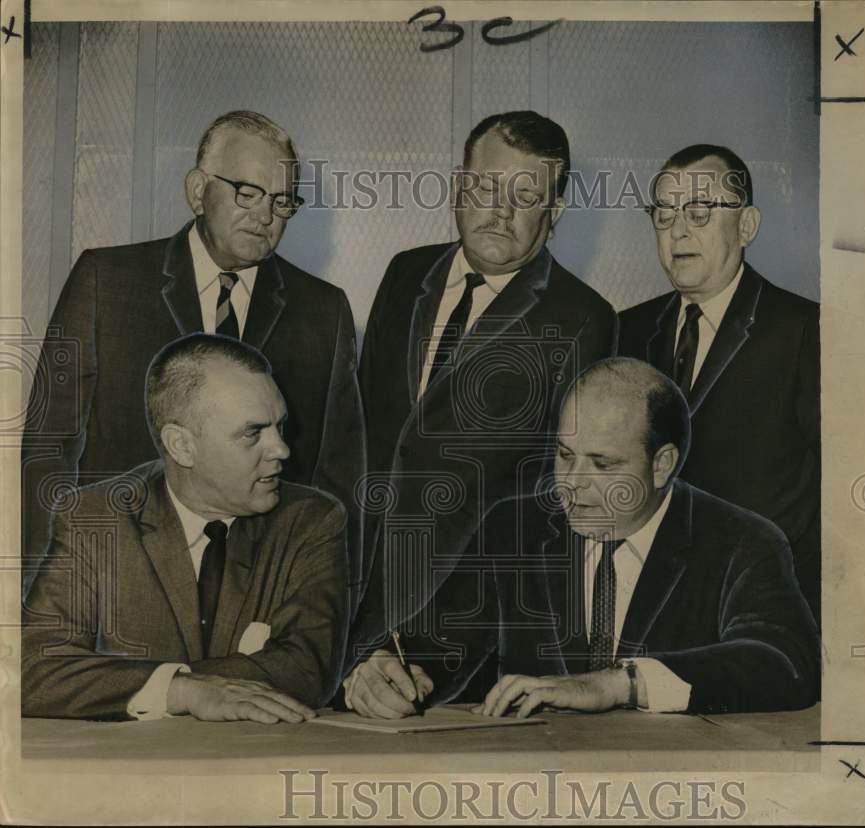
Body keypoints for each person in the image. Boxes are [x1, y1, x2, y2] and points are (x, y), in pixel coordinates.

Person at [345, 358, 819, 719]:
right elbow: (433, 645)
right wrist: (387, 671)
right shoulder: (516, 527)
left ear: (662, 465)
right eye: (565, 454)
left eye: (603, 464)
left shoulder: (743, 542)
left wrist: (621, 685)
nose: (570, 484)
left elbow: (786, 663)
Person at [21, 110, 364, 606]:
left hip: (258, 601)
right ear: (198, 189)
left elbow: (341, 476)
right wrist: (37, 588)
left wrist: (332, 608)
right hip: (114, 587)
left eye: (282, 202)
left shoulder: (323, 311)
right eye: (246, 192)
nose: (265, 217)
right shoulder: (107, 281)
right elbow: (49, 447)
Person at [351, 111, 617, 656]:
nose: (500, 211)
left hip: (472, 624)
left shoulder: (584, 318)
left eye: (526, 196)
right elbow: (358, 434)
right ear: (457, 185)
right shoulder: (404, 273)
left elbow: (556, 499)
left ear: (556, 210)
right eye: (486, 186)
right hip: (358, 594)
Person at [22, 334, 349, 722]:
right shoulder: (94, 519)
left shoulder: (310, 520)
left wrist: (149, 683)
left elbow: (306, 669)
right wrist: (177, 688)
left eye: (280, 426)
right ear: (181, 446)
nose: (281, 449)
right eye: (253, 432)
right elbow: (32, 670)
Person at [617, 145, 820, 624]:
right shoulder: (627, 331)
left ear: (746, 226)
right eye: (663, 214)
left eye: (700, 212)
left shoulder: (804, 330)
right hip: (652, 612)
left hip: (768, 612)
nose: (679, 231)